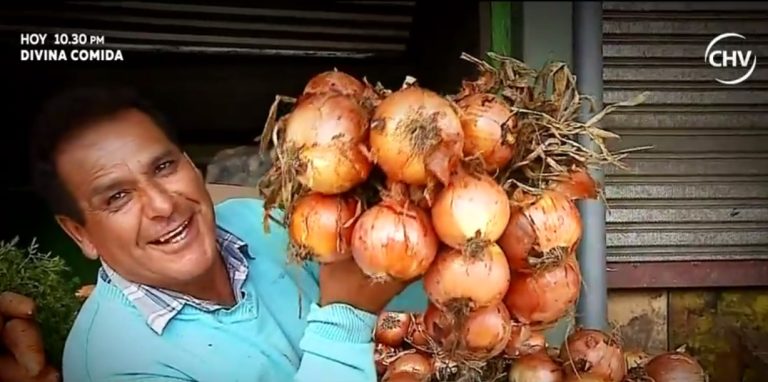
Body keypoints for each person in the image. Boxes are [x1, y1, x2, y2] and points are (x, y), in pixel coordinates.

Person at [28, 88, 428, 382]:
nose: (163, 205)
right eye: (117, 197)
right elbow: (351, 305)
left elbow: (398, 286)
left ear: (190, 163)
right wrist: (345, 317)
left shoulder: (254, 221)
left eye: (164, 167)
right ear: (80, 233)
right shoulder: (114, 364)